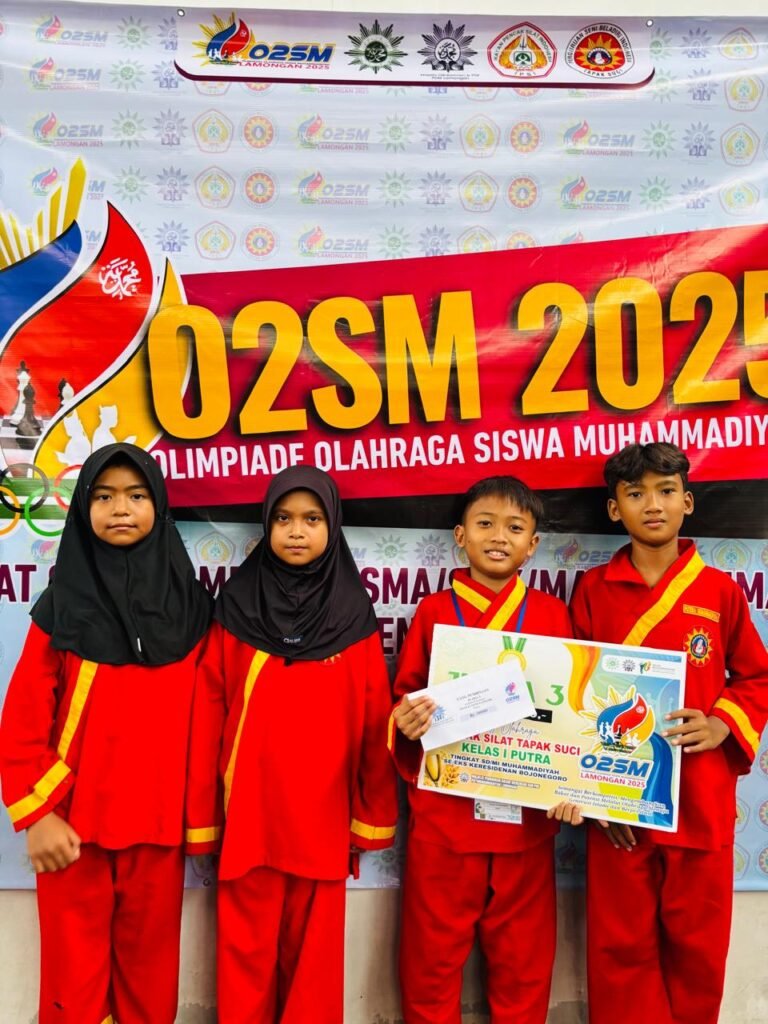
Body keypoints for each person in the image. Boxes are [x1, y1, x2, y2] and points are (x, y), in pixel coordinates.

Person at [0, 443, 212, 1024]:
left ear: (159, 506)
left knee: (151, 982)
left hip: (159, 828)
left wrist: (200, 818)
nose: (121, 508)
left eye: (137, 495)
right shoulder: (62, 607)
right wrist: (38, 814)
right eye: (104, 496)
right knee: (73, 984)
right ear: (82, 509)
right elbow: (22, 719)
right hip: (73, 828)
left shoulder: (192, 609)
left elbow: (210, 720)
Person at [186, 465, 398, 1024]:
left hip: (323, 818)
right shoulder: (235, 608)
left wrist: (370, 817)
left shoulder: (353, 616)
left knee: (314, 962)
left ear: (333, 526)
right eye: (282, 518)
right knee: (245, 953)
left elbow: (374, 723)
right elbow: (208, 716)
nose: (296, 531)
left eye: (312, 519)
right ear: (266, 524)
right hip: (249, 816)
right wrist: (202, 817)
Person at [569, 442, 768, 1024]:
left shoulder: (720, 591)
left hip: (700, 797)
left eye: (665, 491)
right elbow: (572, 692)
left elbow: (755, 677)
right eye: (635, 494)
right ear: (615, 509)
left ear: (688, 501)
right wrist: (593, 797)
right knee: (618, 944)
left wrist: (721, 721)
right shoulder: (593, 588)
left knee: (698, 944)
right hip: (618, 798)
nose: (652, 505)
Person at [390, 475, 573, 1024]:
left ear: (533, 545)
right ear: (460, 535)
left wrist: (574, 784)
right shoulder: (433, 612)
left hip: (524, 823)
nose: (498, 537)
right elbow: (406, 697)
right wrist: (406, 719)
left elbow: (569, 719)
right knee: (429, 960)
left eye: (515, 528)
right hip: (446, 820)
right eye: (485, 524)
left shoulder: (551, 615)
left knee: (525, 964)